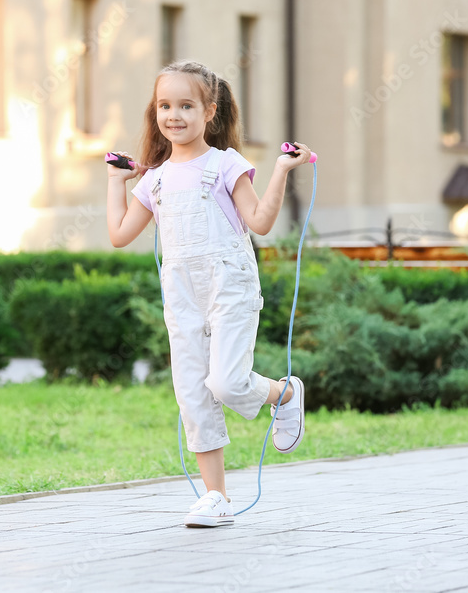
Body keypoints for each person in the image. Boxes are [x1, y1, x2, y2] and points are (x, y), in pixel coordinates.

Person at [106, 60, 313, 528]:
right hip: (182, 296)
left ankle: (281, 394)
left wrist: (281, 168)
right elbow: (120, 234)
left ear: (210, 111)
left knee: (226, 382)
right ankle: (215, 498)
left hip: (230, 286)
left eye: (185, 105)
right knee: (193, 394)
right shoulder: (153, 178)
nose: (173, 115)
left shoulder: (226, 165)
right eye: (164, 105)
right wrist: (116, 183)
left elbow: (259, 222)